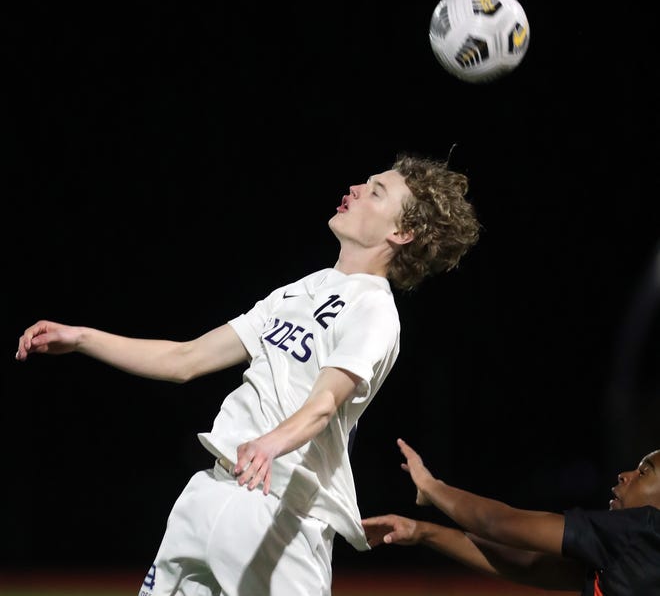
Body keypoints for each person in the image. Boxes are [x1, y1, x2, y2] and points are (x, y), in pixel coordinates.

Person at [15, 153, 480, 596]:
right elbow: (186, 359)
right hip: (210, 496)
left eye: (376, 192)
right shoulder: (301, 290)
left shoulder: (375, 309)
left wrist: (270, 443)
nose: (356, 189)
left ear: (402, 232)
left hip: (280, 515)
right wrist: (81, 339)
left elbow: (324, 403)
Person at [362, 438, 660, 595]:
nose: (625, 475)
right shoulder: (634, 559)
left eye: (644, 472)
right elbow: (528, 564)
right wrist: (424, 532)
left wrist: (432, 488)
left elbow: (503, 524)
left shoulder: (644, 533)